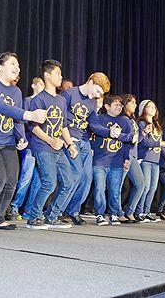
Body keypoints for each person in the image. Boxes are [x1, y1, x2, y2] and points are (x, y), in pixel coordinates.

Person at [0, 52, 47, 231]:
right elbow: (0, 107)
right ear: (0, 67)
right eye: (13, 64)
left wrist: (21, 137)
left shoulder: (16, 91)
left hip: (7, 142)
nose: (17, 68)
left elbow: (16, 118)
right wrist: (29, 115)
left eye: (18, 65)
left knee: (12, 181)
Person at [26, 59, 79, 229]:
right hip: (43, 147)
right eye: (57, 73)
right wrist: (50, 140)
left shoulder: (62, 100)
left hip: (58, 148)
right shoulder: (39, 99)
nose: (61, 77)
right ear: (47, 75)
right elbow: (33, 127)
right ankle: (33, 217)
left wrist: (70, 144)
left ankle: (52, 215)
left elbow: (63, 125)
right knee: (49, 183)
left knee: (69, 182)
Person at [61, 72, 111, 225]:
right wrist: (66, 139)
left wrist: (110, 132)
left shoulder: (92, 103)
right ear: (90, 81)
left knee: (87, 178)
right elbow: (59, 117)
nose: (97, 96)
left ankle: (73, 211)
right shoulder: (69, 94)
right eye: (97, 91)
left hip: (84, 141)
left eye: (100, 94)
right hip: (71, 139)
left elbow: (94, 124)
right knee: (74, 176)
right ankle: (58, 211)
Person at [91, 95, 131, 225]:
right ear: (107, 106)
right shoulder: (99, 118)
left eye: (120, 105)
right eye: (116, 104)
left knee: (115, 190)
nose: (119, 107)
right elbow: (93, 133)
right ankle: (100, 214)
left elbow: (129, 140)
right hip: (100, 161)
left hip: (116, 162)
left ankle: (113, 213)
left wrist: (126, 158)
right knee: (99, 189)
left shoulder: (125, 121)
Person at [11, 77, 45, 220]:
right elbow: (22, 121)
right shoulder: (28, 101)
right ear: (33, 85)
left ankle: (30, 209)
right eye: (40, 84)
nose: (42, 87)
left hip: (42, 145)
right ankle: (15, 206)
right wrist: (23, 138)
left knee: (38, 179)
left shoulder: (45, 102)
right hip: (30, 143)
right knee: (26, 175)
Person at [135, 100, 165, 222]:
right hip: (145, 158)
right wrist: (161, 143)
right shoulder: (141, 123)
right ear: (144, 109)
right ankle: (138, 212)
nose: (152, 109)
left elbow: (157, 143)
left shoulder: (156, 124)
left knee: (153, 187)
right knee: (145, 187)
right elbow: (144, 142)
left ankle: (146, 212)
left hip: (155, 159)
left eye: (154, 107)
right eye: (149, 106)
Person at [120, 94, 145, 223]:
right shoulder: (123, 119)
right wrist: (126, 157)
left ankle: (129, 211)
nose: (135, 105)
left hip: (133, 155)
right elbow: (124, 139)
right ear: (125, 104)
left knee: (140, 184)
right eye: (132, 103)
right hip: (125, 155)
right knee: (118, 186)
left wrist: (143, 134)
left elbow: (135, 141)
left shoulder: (132, 119)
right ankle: (117, 212)